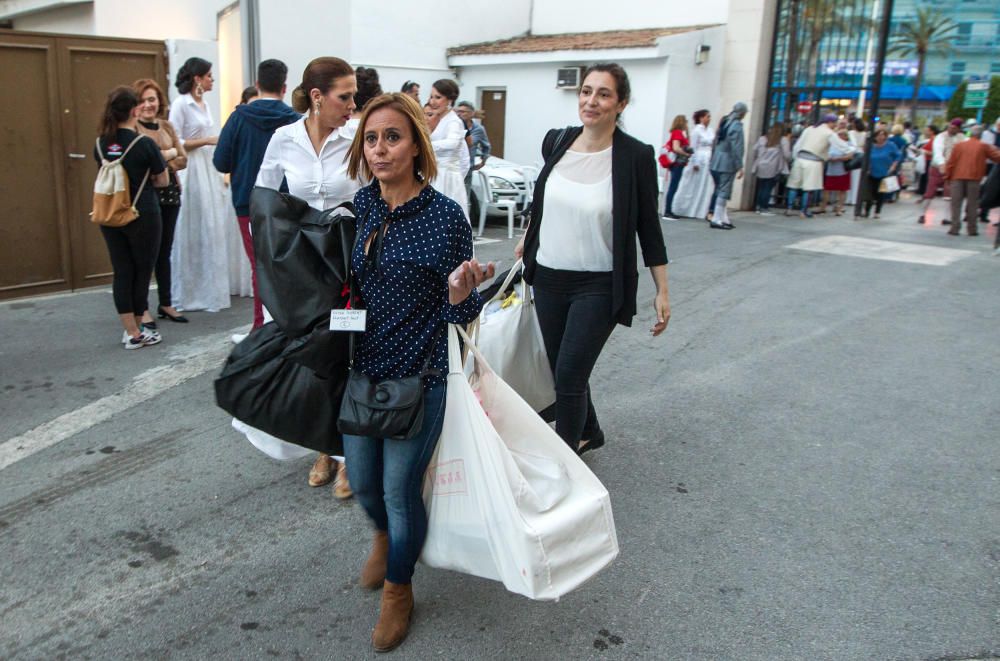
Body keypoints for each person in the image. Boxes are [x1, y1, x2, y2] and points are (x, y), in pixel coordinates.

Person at [343, 92, 493, 652]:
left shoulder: (445, 216)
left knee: (400, 489)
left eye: (393, 137)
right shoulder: (361, 207)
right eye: (372, 138)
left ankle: (399, 590)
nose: (380, 149)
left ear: (416, 147)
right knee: (362, 485)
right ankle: (384, 538)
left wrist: (460, 292)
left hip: (420, 375)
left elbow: (465, 312)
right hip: (363, 370)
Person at [514, 62, 671, 455]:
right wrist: (529, 239)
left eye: (603, 94)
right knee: (565, 369)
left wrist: (662, 290)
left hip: (598, 284)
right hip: (548, 278)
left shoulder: (634, 156)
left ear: (621, 103)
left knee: (568, 374)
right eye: (586, 91)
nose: (591, 100)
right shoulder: (557, 141)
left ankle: (563, 463)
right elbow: (543, 200)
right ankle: (590, 430)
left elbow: (648, 227)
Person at [254, 56, 363, 499]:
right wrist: (277, 256)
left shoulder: (357, 138)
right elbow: (263, 197)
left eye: (354, 95)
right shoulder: (284, 139)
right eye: (345, 96)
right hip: (305, 268)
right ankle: (324, 446)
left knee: (350, 355)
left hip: (351, 264)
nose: (353, 104)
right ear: (317, 98)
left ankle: (349, 456)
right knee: (315, 359)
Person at [213, 59, 301, 331]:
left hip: (247, 203)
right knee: (292, 266)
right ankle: (291, 325)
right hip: (288, 203)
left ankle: (261, 327)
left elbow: (220, 162)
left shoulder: (238, 118)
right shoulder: (296, 121)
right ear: (284, 87)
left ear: (257, 85)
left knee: (259, 267)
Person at [168, 57, 252, 312]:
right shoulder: (181, 104)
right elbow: (175, 140)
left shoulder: (203, 104)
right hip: (191, 167)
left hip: (206, 166)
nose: (212, 80)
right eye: (209, 76)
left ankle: (209, 287)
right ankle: (188, 289)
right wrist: (206, 140)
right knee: (191, 223)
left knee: (210, 223)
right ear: (198, 78)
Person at [93, 86, 170, 349]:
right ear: (135, 111)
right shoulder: (144, 143)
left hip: (109, 214)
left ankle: (130, 331)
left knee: (122, 271)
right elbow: (162, 180)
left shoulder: (100, 144)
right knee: (142, 271)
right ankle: (140, 328)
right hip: (142, 213)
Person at [132, 78, 188, 326]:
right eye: (143, 100)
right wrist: (168, 154)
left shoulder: (166, 126)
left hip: (171, 193)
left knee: (165, 251)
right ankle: (141, 308)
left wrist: (160, 159)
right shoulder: (133, 129)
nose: (148, 105)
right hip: (146, 196)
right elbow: (140, 163)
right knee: (145, 253)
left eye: (152, 99)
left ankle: (166, 303)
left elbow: (183, 159)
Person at [942, 124, 1000, 236]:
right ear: (980, 135)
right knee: (972, 204)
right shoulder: (983, 146)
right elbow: (997, 157)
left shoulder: (959, 146)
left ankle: (954, 228)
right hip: (974, 178)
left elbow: (951, 163)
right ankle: (972, 229)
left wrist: (947, 177)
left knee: (956, 204)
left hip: (957, 177)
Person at [427, 79, 470, 218]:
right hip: (435, 176)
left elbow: (452, 143)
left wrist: (426, 146)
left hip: (447, 179)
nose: (432, 101)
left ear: (450, 99)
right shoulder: (439, 119)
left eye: (438, 97)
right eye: (431, 96)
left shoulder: (453, 121)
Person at [786, 113, 838, 218]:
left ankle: (789, 209)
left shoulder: (809, 129)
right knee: (808, 188)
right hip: (814, 161)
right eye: (834, 123)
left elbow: (798, 144)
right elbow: (839, 146)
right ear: (830, 122)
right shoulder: (829, 133)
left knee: (794, 186)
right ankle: (803, 211)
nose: (835, 125)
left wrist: (795, 157)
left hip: (800, 158)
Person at [708, 102, 748, 229]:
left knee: (720, 189)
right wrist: (740, 165)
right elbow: (737, 147)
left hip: (717, 160)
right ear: (742, 113)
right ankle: (717, 219)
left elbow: (715, 141)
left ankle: (722, 217)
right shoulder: (736, 126)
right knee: (724, 190)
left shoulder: (725, 121)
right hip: (727, 162)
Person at [918, 118, 966, 225]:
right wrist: (942, 164)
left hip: (953, 169)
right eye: (950, 127)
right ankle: (922, 214)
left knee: (949, 194)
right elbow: (938, 152)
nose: (950, 129)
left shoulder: (962, 138)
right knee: (930, 192)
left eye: (953, 128)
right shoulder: (940, 137)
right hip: (937, 168)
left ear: (958, 129)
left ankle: (947, 218)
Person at [671, 109, 715, 219]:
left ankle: (703, 209)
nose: (709, 119)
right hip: (699, 158)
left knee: (706, 185)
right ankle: (688, 208)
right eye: (707, 116)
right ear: (701, 118)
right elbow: (694, 147)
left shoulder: (710, 130)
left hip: (708, 158)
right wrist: (694, 161)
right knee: (695, 184)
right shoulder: (697, 130)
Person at [456, 100, 492, 205]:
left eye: (463, 112)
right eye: (458, 111)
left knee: (464, 199)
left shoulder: (479, 129)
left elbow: (486, 146)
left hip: (468, 168)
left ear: (472, 113)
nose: (460, 114)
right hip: (453, 167)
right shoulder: (454, 127)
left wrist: (483, 161)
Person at [862, 128, 901, 219]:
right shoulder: (871, 146)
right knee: (870, 192)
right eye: (878, 135)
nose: (880, 137)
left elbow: (898, 155)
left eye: (883, 135)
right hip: (872, 171)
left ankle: (877, 212)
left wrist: (893, 166)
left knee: (881, 193)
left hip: (885, 172)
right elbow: (866, 157)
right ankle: (867, 211)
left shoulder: (890, 145)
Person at [751, 123, 789, 215]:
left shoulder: (763, 138)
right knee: (768, 187)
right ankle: (764, 207)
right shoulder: (782, 140)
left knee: (762, 186)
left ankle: (758, 206)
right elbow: (787, 154)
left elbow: (754, 148)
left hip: (760, 165)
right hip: (773, 166)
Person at [660, 114, 690, 220]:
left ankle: (668, 210)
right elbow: (676, 148)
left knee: (673, 186)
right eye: (686, 121)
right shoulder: (677, 133)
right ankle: (668, 211)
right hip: (677, 163)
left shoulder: (677, 132)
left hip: (678, 163)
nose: (687, 124)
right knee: (673, 186)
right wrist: (686, 154)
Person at [822, 126, 854, 215]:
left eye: (842, 135)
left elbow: (850, 156)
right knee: (827, 189)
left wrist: (838, 158)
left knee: (842, 190)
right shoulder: (832, 144)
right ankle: (823, 207)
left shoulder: (848, 144)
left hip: (843, 170)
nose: (840, 136)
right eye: (839, 135)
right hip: (831, 170)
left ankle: (839, 208)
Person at [847, 117, 867, 206]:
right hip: (861, 155)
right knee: (858, 179)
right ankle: (855, 199)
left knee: (850, 178)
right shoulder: (865, 134)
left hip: (852, 155)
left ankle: (849, 198)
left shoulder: (850, 133)